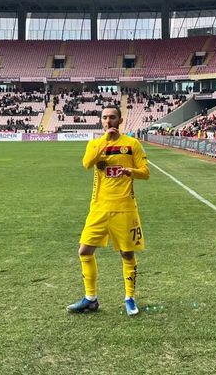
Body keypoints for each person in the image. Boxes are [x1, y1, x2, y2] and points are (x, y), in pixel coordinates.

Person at [67, 106, 149, 316]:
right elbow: (87, 163)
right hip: (99, 208)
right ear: (101, 121)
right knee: (84, 251)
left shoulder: (132, 145)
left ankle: (129, 298)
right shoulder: (95, 144)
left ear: (120, 120)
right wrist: (105, 141)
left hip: (125, 208)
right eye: (104, 117)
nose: (108, 121)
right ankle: (90, 299)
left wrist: (130, 171)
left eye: (112, 117)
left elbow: (145, 173)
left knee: (127, 253)